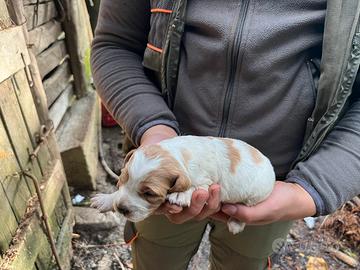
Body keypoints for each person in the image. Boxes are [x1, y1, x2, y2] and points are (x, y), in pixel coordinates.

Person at [91, 0, 360, 269]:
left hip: (273, 185)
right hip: (160, 164)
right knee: (156, 258)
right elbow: (115, 45)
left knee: (242, 261)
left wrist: (312, 189)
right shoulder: (156, 179)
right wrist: (153, 126)